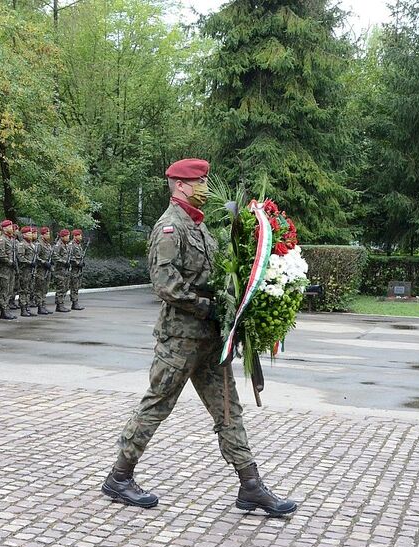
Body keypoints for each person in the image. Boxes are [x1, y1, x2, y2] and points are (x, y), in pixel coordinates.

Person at [101, 158, 296, 516]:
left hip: (209, 341)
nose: (205, 187)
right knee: (157, 405)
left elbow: (219, 273)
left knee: (228, 411)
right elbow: (165, 284)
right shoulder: (170, 228)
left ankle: (250, 486)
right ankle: (119, 476)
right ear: (181, 185)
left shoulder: (200, 227)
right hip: (179, 340)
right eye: (200, 182)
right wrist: (205, 306)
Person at [0, 219, 17, 320]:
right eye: (9, 227)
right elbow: (1, 254)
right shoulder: (2, 240)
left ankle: (6, 309)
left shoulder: (11, 240)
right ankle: (3, 310)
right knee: (4, 290)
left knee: (9, 290)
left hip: (11, 269)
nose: (11, 229)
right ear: (4, 229)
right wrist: (9, 262)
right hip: (4, 269)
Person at [17, 226, 38, 317]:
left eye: (31, 233)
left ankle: (27, 307)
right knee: (23, 290)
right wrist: (29, 263)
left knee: (29, 289)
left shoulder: (32, 245)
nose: (31, 235)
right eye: (28, 233)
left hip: (31, 270)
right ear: (24, 235)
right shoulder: (22, 244)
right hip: (24, 270)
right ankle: (23, 308)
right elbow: (20, 257)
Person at [34, 226, 53, 315]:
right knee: (39, 289)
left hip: (47, 270)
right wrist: (43, 262)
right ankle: (39, 306)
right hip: (40, 270)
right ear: (43, 235)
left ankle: (43, 305)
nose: (49, 235)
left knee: (45, 289)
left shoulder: (48, 244)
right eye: (47, 234)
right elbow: (35, 257)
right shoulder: (39, 244)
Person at [52, 229, 72, 313]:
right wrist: (64, 262)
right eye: (67, 236)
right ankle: (59, 305)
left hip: (65, 270)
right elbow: (54, 256)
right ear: (62, 237)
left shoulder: (66, 245)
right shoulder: (58, 245)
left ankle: (61, 303)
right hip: (59, 270)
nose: (68, 238)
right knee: (61, 287)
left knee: (65, 287)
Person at [69, 229, 86, 310]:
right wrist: (77, 263)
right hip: (73, 269)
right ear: (75, 236)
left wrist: (82, 263)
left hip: (78, 269)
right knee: (74, 286)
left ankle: (75, 302)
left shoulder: (78, 245)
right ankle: (74, 303)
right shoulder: (72, 245)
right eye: (79, 235)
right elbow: (70, 257)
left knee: (77, 286)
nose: (81, 237)